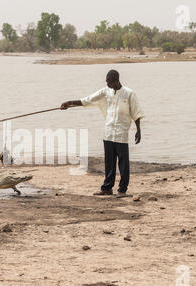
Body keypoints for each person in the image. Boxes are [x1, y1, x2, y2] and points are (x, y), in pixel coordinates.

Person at [60, 69, 144, 197]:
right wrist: (69, 103)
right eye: (106, 82)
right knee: (109, 162)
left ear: (116, 81)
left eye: (109, 82)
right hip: (108, 133)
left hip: (121, 134)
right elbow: (87, 100)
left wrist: (138, 130)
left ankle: (122, 190)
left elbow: (136, 112)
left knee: (123, 163)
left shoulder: (128, 93)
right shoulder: (106, 92)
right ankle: (107, 188)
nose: (107, 84)